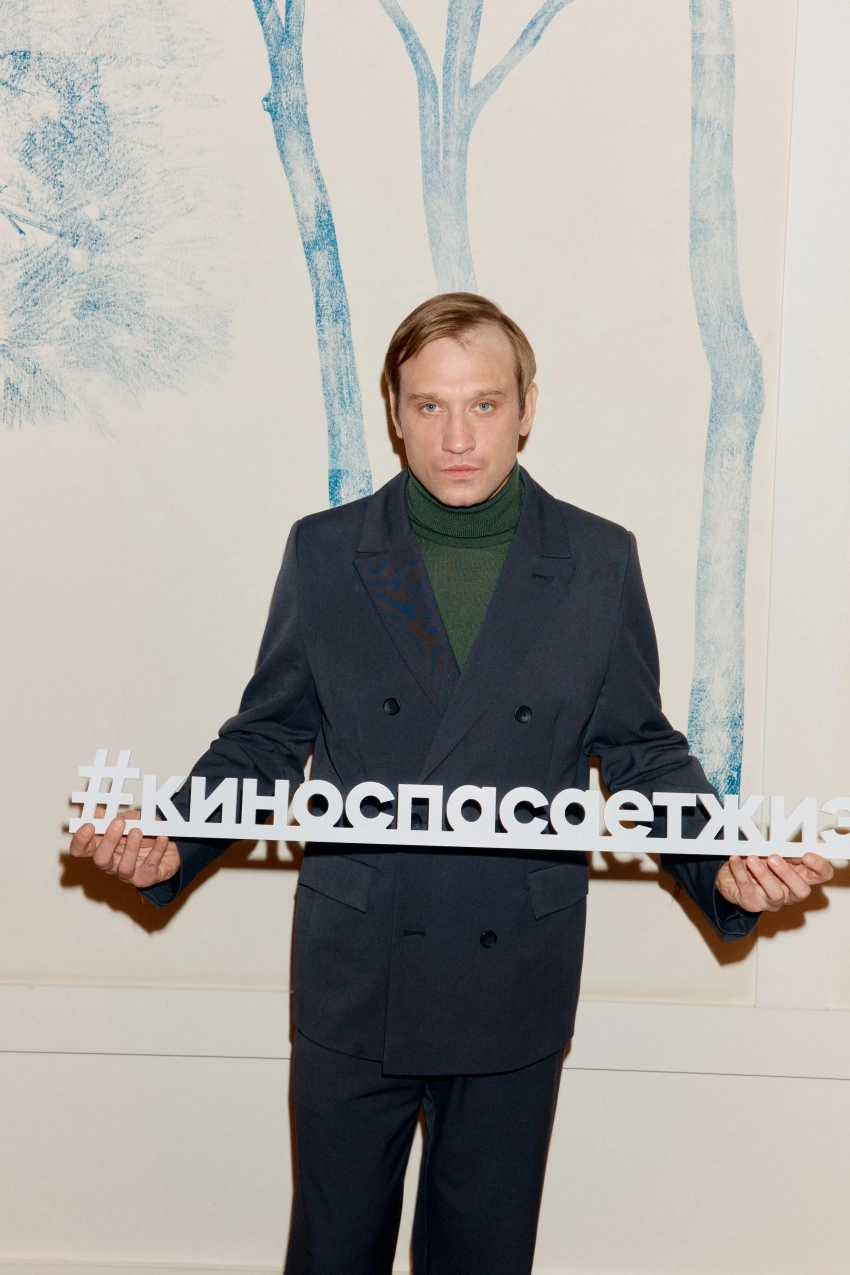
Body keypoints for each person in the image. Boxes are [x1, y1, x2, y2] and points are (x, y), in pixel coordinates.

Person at [70, 294, 833, 1275]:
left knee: (482, 1257)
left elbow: (641, 751)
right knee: (333, 1251)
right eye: (429, 405)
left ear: (527, 408)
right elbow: (266, 738)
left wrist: (718, 862)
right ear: (394, 411)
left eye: (483, 404)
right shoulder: (325, 552)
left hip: (513, 967)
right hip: (358, 966)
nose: (457, 437)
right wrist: (172, 840)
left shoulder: (597, 560)